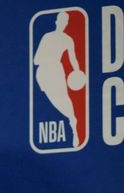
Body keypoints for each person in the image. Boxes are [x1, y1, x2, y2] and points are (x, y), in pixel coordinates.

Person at [33, 11, 83, 147]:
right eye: (61, 21)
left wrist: (77, 71)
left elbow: (73, 58)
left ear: (66, 24)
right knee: (53, 100)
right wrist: (47, 58)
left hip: (57, 71)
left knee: (64, 100)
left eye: (65, 21)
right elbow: (36, 59)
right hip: (43, 73)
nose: (63, 24)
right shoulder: (47, 37)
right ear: (57, 22)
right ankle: (71, 119)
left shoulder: (68, 39)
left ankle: (74, 127)